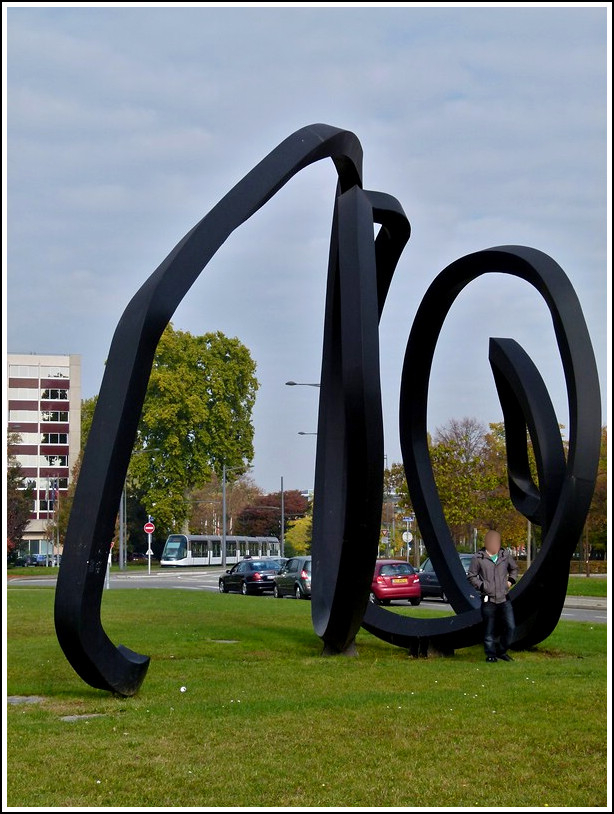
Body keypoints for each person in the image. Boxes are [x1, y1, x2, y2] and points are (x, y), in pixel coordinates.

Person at [467, 530, 518, 662]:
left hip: (504, 598)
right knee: (489, 628)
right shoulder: (478, 558)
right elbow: (471, 576)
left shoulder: (504, 555)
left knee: (511, 626)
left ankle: (502, 651)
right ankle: (491, 654)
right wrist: (483, 586)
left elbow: (514, 569)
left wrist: (510, 581)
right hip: (488, 599)